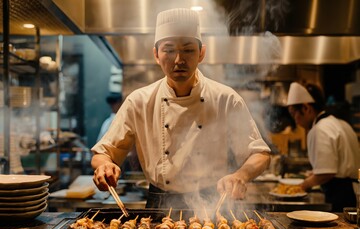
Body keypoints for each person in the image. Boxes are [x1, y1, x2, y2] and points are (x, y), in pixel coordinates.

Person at [91, 8, 271, 209]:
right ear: (156, 55)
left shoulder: (226, 99)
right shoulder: (139, 101)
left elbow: (259, 153)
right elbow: (103, 153)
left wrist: (241, 175)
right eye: (169, 50)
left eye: (188, 50)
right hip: (159, 204)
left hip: (211, 204)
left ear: (201, 53)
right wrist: (104, 166)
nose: (178, 60)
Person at [286, 82, 360, 212]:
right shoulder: (339, 122)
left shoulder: (320, 129)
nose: (295, 120)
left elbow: (326, 172)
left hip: (342, 195)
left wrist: (303, 185)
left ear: (306, 108)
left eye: (294, 114)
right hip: (353, 191)